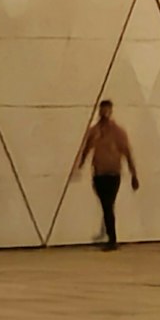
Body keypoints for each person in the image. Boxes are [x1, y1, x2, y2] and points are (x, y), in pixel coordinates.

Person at [63, 99, 139, 249]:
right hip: (99, 174)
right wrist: (80, 165)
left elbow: (127, 153)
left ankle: (112, 238)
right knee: (106, 205)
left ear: (111, 111)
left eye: (107, 110)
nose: (104, 113)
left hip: (113, 173)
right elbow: (87, 148)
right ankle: (110, 236)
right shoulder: (95, 131)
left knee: (108, 204)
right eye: (102, 110)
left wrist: (134, 175)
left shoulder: (118, 132)